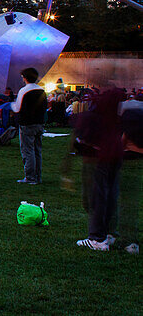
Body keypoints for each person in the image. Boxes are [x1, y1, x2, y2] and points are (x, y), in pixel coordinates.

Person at [74, 89, 125, 251]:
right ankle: (109, 233)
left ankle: (97, 238)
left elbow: (84, 137)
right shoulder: (117, 115)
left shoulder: (97, 116)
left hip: (100, 156)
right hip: (115, 155)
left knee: (98, 197)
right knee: (110, 195)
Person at [13, 67, 47, 184]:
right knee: (37, 150)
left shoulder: (24, 91)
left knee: (28, 151)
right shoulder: (42, 90)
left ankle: (30, 177)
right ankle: (38, 176)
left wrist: (11, 105)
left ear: (25, 78)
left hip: (27, 124)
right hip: (39, 123)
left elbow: (17, 108)